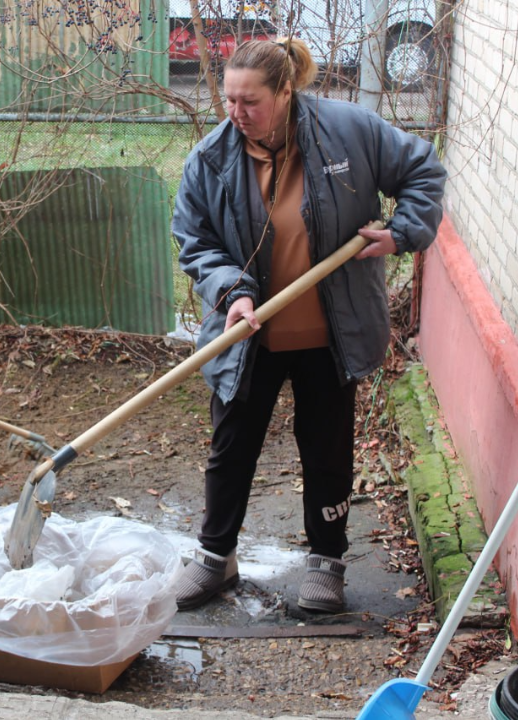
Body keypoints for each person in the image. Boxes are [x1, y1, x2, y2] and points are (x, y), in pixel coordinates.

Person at [172, 39, 446, 613]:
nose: (236, 112)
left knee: (326, 451)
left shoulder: (348, 132)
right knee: (231, 448)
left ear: (285, 91)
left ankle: (327, 561)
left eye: (250, 101)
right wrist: (232, 293)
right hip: (249, 335)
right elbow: (195, 241)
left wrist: (401, 233)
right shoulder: (212, 159)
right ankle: (215, 556)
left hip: (331, 332)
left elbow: (423, 169)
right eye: (228, 99)